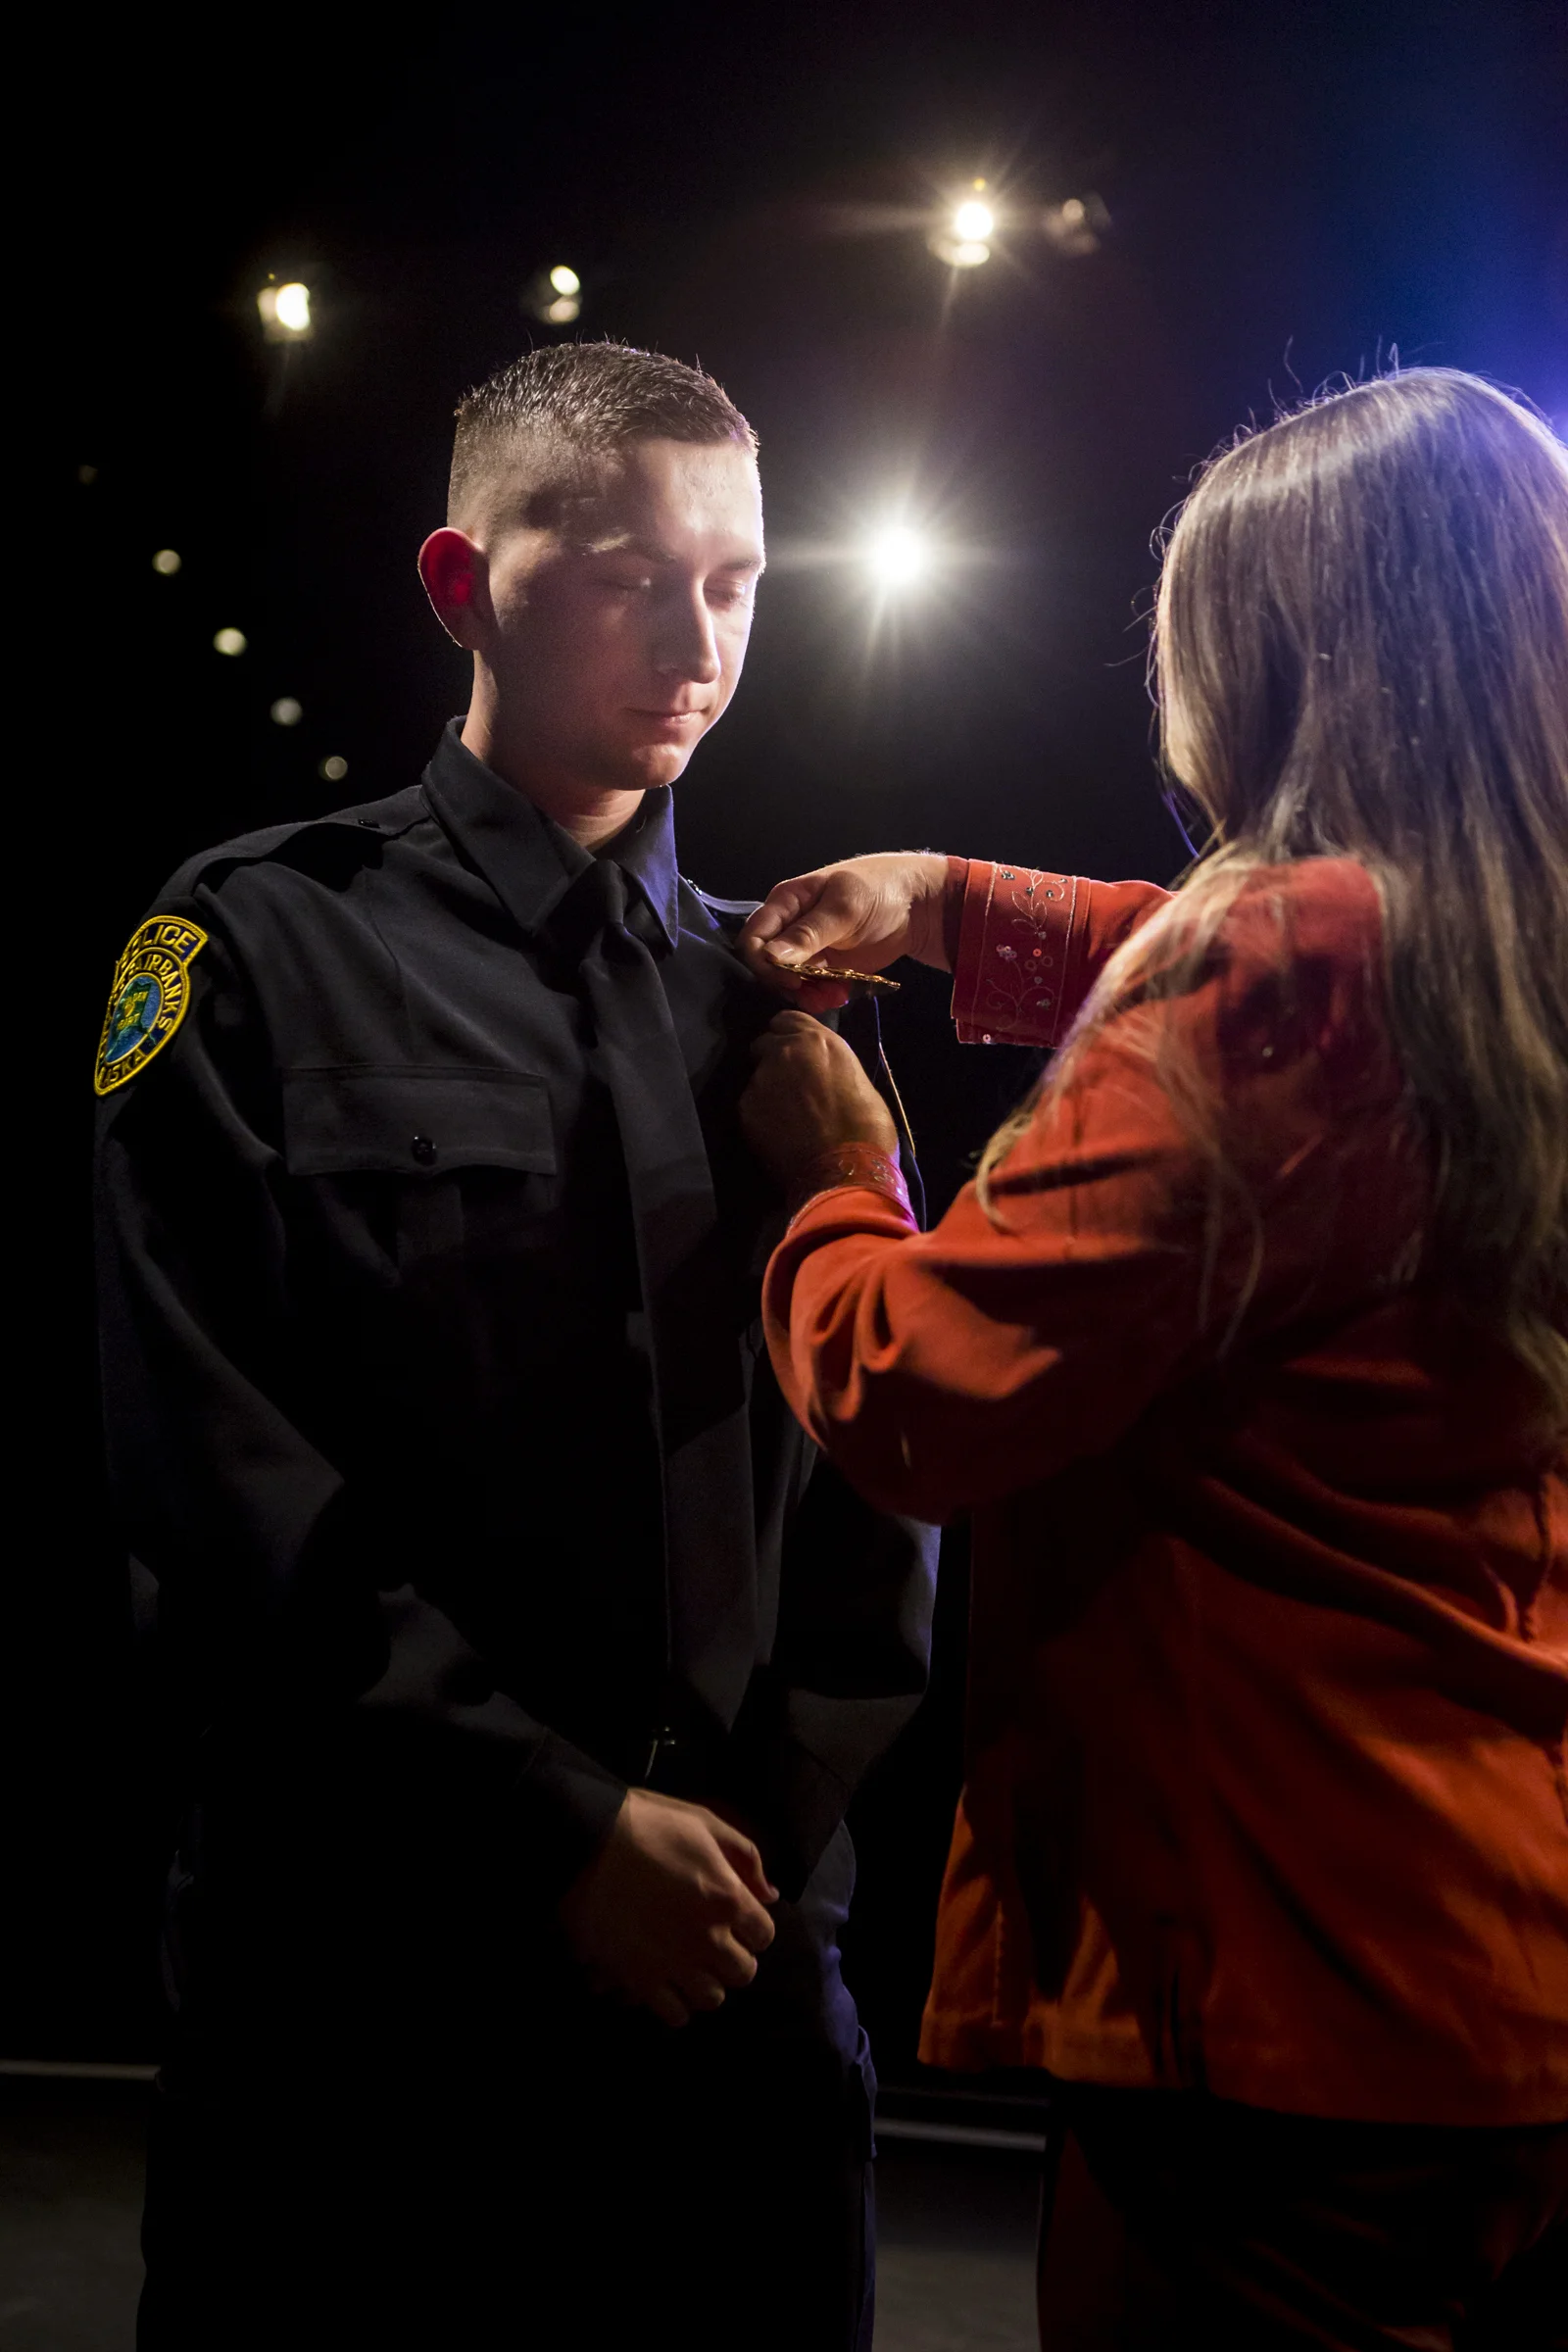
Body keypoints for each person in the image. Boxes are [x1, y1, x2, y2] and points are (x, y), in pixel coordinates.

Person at [94, 342, 936, 2350]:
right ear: (458, 580)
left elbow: (883, 1468)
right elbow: (215, 1479)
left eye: (736, 577)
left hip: (728, 1994)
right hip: (364, 1991)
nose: (698, 632)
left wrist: (757, 1856)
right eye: (631, 569)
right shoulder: (244, 954)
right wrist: (554, 1834)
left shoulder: (788, 1006)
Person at [736, 368, 1568, 2348]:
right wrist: (953, 907)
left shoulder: (1281, 970)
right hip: (1487, 1973)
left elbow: (916, 1390)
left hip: (1275, 1994)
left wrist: (835, 1169)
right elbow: (1254, 998)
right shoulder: (1499, 949)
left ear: (1277, 651)